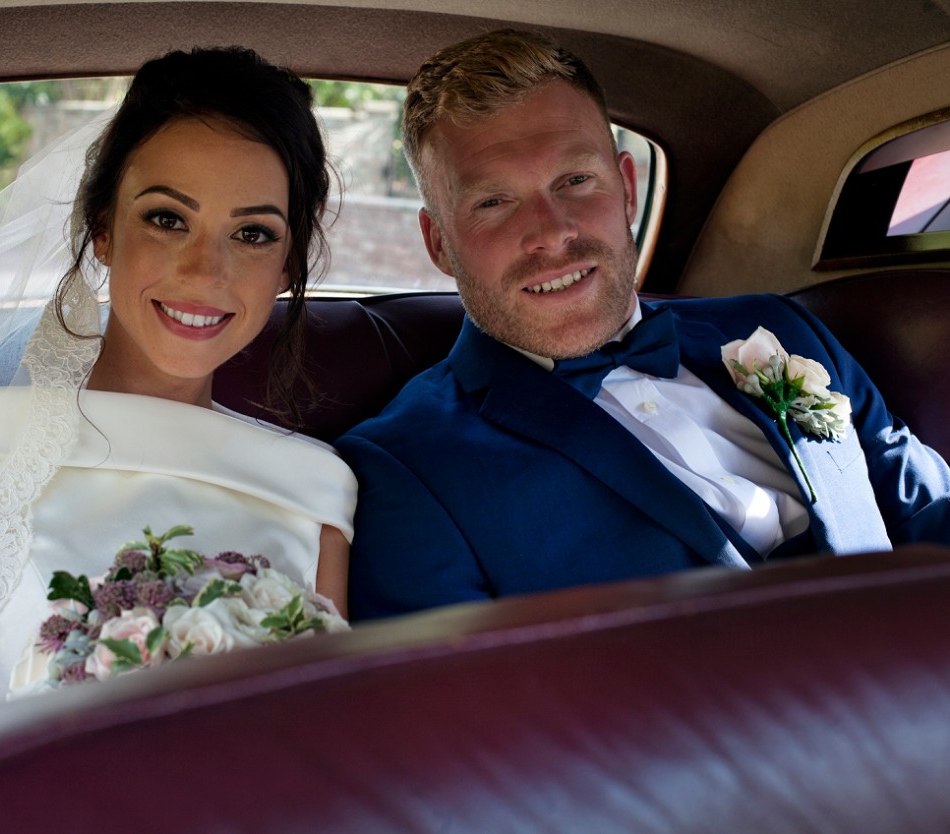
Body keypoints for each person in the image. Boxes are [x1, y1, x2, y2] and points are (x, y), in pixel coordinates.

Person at [0, 46, 356, 786]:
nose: (207, 272)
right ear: (103, 229)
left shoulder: (317, 493)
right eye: (168, 219)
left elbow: (316, 770)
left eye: (253, 233)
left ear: (290, 263)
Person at [336, 29, 950, 621]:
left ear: (627, 190)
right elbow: (460, 714)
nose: (552, 231)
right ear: (440, 243)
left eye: (576, 180)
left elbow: (926, 511)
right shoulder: (405, 470)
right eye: (493, 202)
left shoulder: (779, 327)